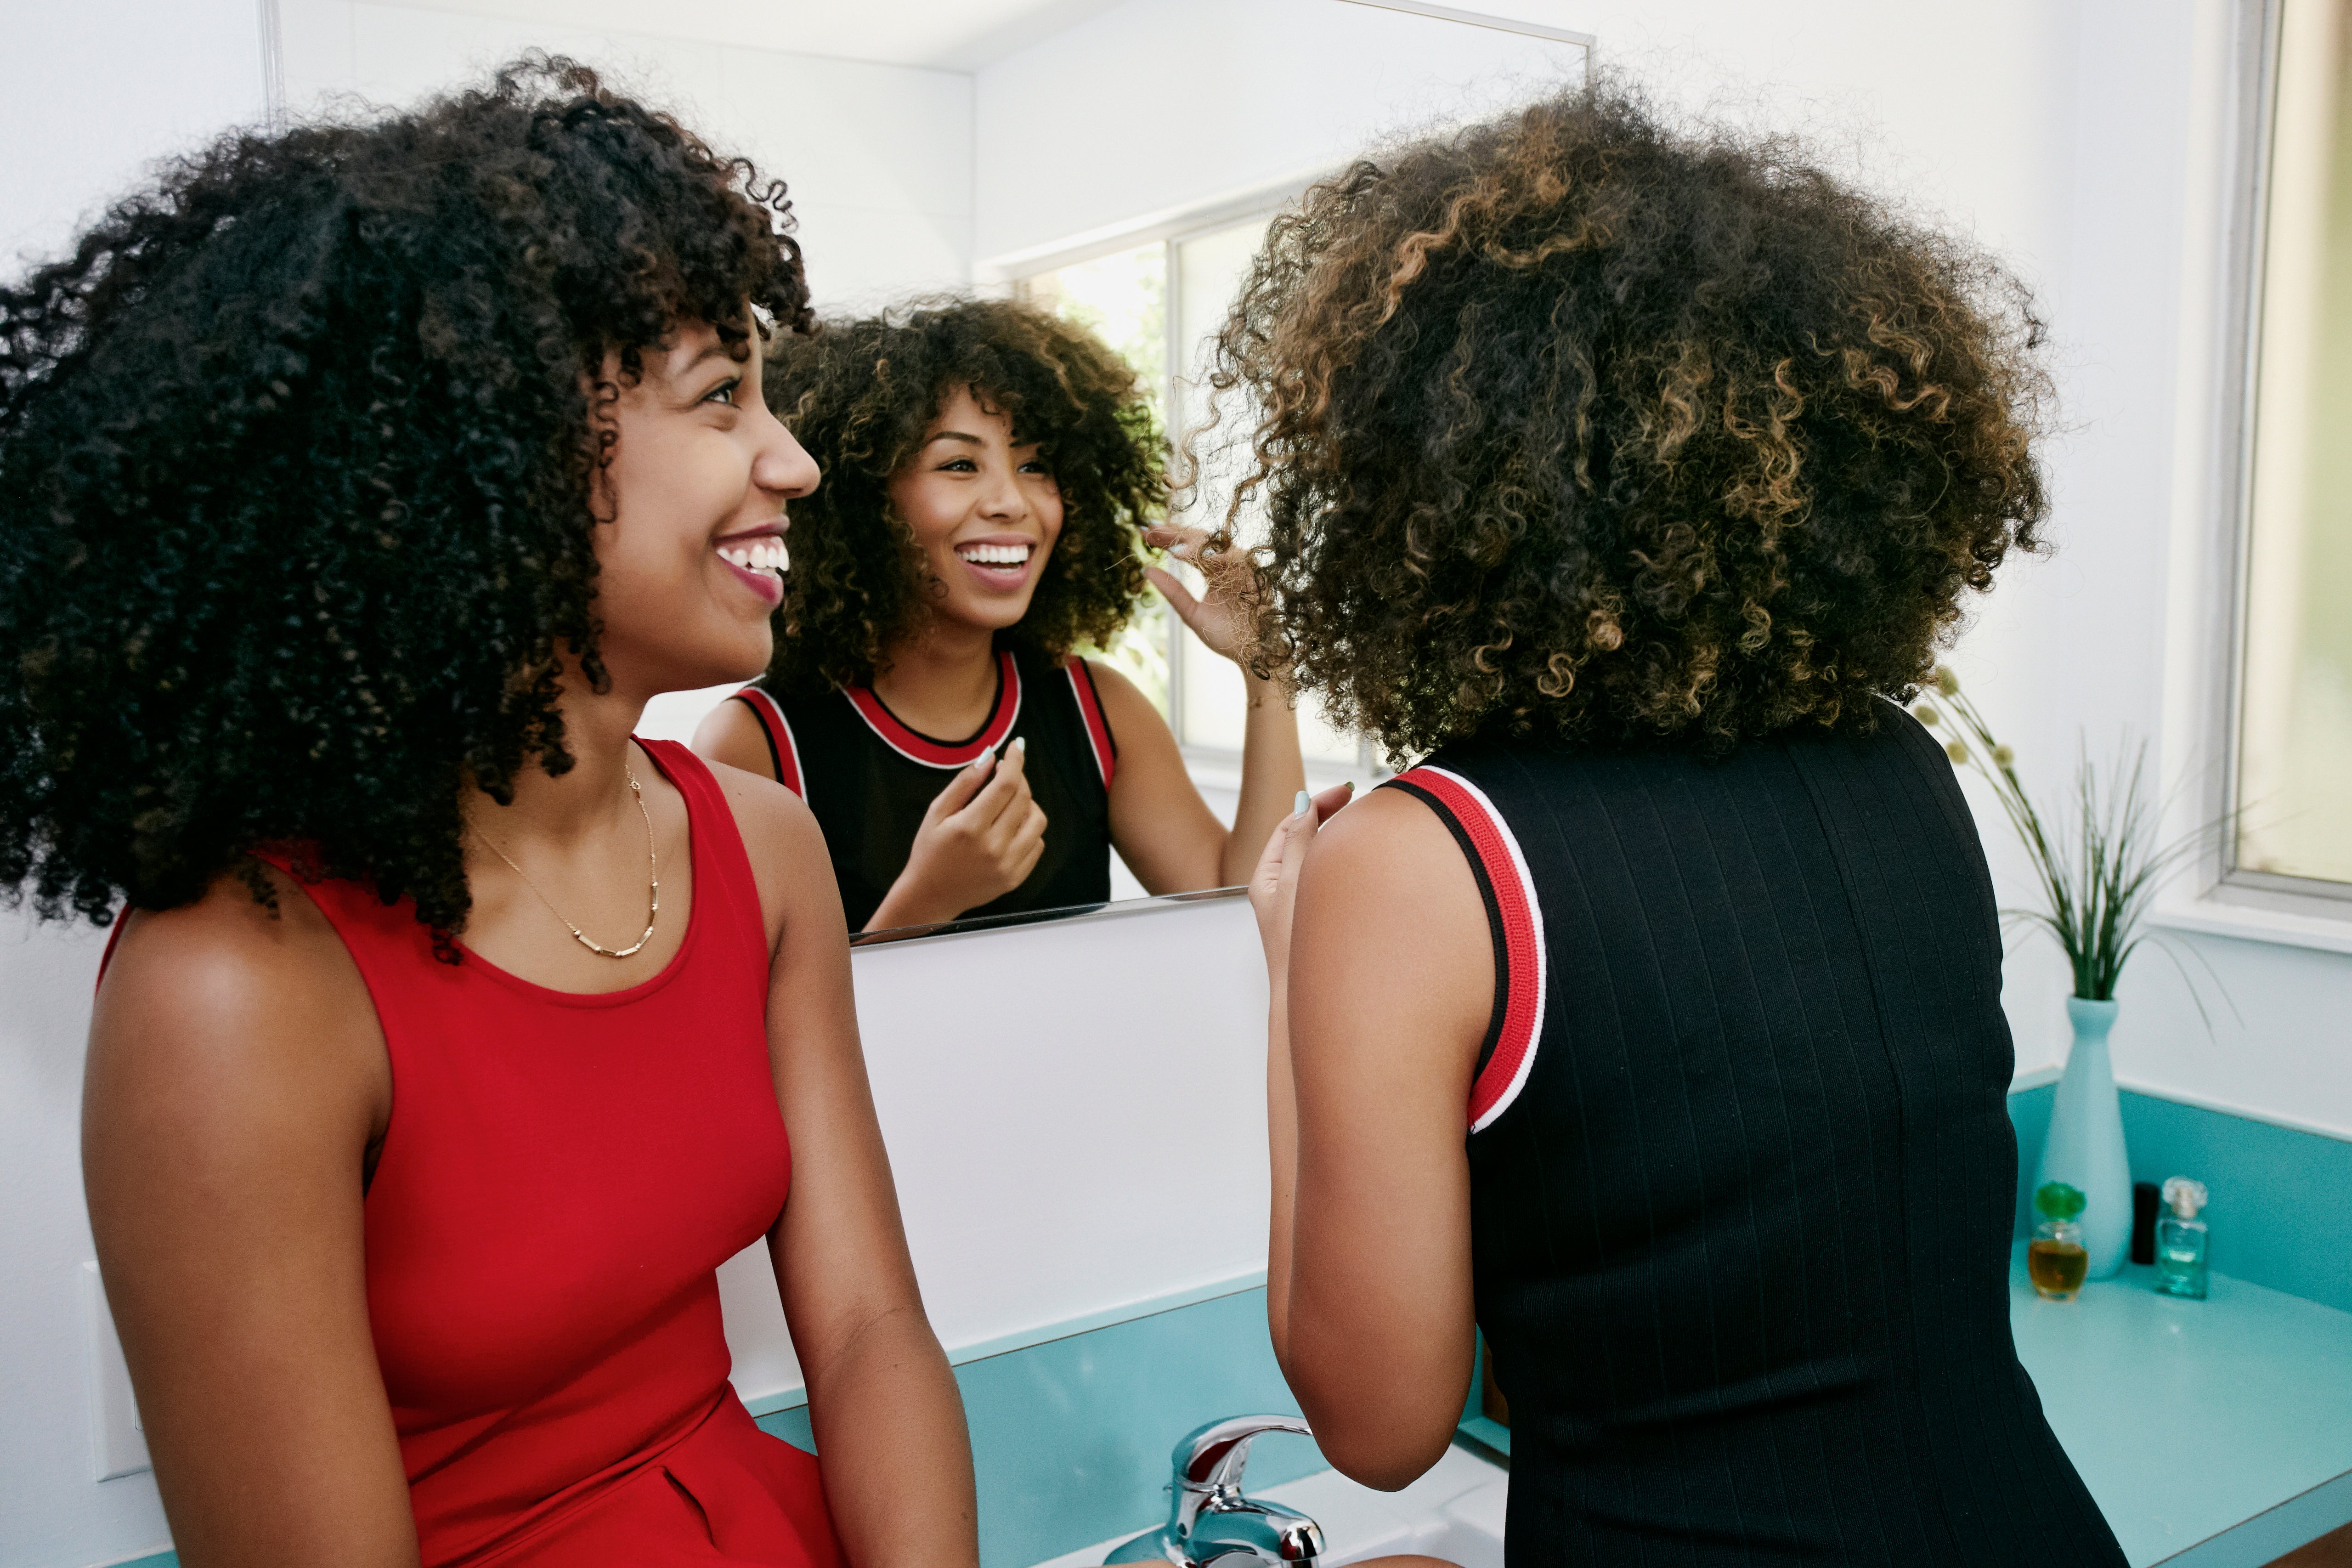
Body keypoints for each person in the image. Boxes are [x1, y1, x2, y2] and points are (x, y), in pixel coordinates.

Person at [0, 60, 976, 1567]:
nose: (796, 459)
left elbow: (861, 1328)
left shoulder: (761, 846)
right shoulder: (237, 990)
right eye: (725, 396)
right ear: (502, 454)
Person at [1234, 84, 2130, 1565]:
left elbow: (1379, 1426)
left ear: (1431, 480)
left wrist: (1287, 977)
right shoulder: (1902, 767)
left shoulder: (1426, 856)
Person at [693, 300, 1305, 932]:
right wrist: (926, 903)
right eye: (960, 464)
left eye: (1034, 464)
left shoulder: (1097, 711)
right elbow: (748, 1021)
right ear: (862, 497)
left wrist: (1270, 670)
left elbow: (1247, 908)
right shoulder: (756, 745)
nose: (1012, 502)